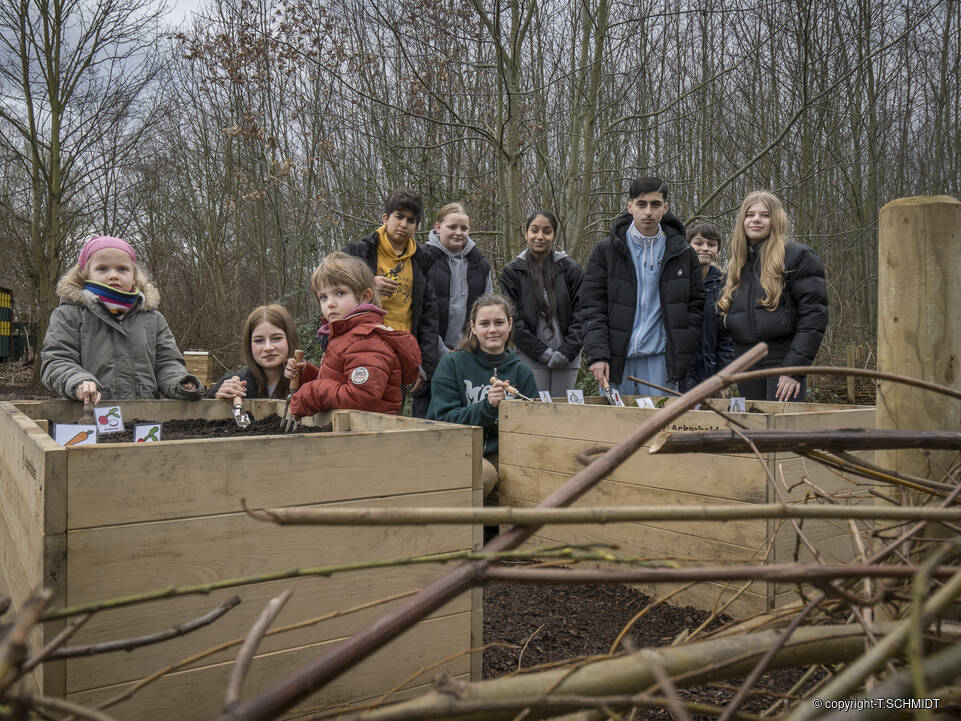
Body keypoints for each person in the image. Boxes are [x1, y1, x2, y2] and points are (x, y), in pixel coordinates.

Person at [41, 235, 204, 403]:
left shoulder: (152, 319)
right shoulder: (69, 314)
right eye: (102, 269)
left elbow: (168, 362)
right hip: (88, 416)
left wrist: (180, 382)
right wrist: (78, 381)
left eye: (122, 269)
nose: (113, 276)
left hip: (145, 418)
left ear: (134, 276)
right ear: (85, 274)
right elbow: (57, 360)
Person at [581, 177, 705, 397]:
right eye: (642, 204)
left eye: (655, 204)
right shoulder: (606, 251)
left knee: (662, 428)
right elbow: (592, 305)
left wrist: (684, 347)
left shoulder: (683, 253)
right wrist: (598, 354)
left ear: (665, 208)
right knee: (613, 428)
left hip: (661, 360)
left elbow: (695, 306)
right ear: (630, 207)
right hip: (616, 360)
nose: (648, 211)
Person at [717, 191, 827, 401]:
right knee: (750, 428)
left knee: (780, 431)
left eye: (764, 215)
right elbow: (722, 324)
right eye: (750, 215)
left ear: (775, 220)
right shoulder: (736, 266)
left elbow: (813, 319)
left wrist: (794, 369)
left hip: (782, 360)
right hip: (744, 364)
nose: (756, 219)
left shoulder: (798, 257)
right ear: (742, 221)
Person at [427, 294, 538, 498]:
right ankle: (463, 528)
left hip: (505, 453)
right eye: (484, 323)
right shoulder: (452, 364)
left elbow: (533, 427)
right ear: (473, 327)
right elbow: (443, 420)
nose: (492, 330)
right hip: (456, 450)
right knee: (484, 474)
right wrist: (487, 407)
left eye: (499, 322)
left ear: (510, 324)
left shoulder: (521, 371)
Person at [286, 252, 421, 417]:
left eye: (340, 293)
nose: (330, 303)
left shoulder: (366, 340)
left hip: (369, 436)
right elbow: (337, 383)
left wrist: (311, 393)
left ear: (365, 297)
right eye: (323, 297)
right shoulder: (343, 336)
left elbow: (360, 398)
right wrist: (306, 373)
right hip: (347, 432)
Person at [344, 188, 438, 416]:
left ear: (417, 226)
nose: (404, 224)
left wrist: (424, 368)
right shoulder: (359, 252)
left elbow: (429, 320)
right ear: (385, 218)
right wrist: (367, 283)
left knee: (391, 416)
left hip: (399, 352)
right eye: (399, 217)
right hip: (361, 347)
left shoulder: (422, 262)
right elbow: (331, 287)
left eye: (411, 220)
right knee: (357, 413)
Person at [500, 210, 584, 397]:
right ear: (526, 233)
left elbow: (582, 314)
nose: (540, 236)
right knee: (535, 414)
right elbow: (513, 319)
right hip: (530, 358)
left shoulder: (571, 269)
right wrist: (542, 353)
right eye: (534, 230)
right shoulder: (512, 272)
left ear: (554, 235)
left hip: (567, 359)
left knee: (563, 414)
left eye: (546, 231)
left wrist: (566, 352)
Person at [422, 202, 493, 409]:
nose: (458, 233)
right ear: (438, 227)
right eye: (452, 227)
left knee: (466, 417)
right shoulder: (422, 259)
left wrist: (467, 347)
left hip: (469, 354)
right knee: (432, 417)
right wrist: (441, 351)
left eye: (464, 228)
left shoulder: (480, 264)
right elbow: (419, 315)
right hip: (431, 356)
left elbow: (486, 311)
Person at [678, 221, 735, 392]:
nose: (705, 248)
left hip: (710, 372)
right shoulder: (675, 282)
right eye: (698, 243)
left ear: (717, 252)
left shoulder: (724, 288)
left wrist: (724, 376)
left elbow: (727, 339)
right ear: (687, 246)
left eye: (711, 245)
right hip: (678, 371)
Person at [207, 304, 300, 401]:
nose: (268, 348)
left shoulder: (309, 384)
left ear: (290, 339)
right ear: (249, 344)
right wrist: (218, 403)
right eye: (259, 340)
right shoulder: (231, 384)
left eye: (276, 338)